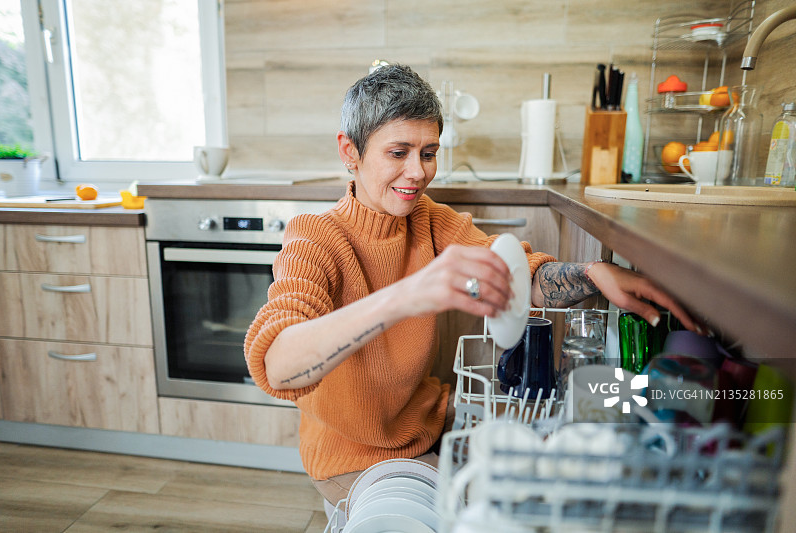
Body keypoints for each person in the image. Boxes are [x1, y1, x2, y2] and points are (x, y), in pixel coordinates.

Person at [244, 64, 698, 507]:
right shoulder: (314, 237)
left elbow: (521, 277)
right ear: (350, 152)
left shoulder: (430, 220)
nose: (419, 172)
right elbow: (276, 365)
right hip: (354, 456)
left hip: (428, 421)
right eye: (398, 152)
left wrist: (592, 273)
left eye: (429, 152)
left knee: (529, 484)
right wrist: (409, 294)